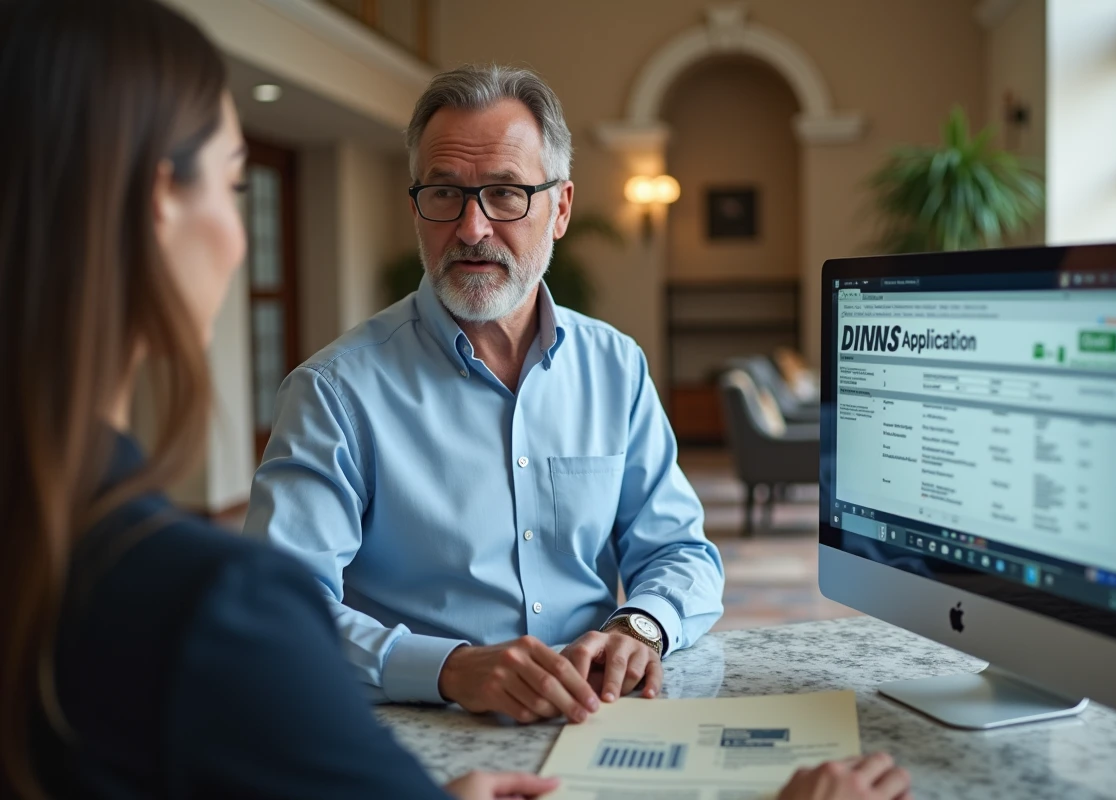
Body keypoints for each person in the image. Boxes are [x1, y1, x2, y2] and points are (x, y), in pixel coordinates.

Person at [0, 1, 552, 797]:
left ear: (556, 207)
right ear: (160, 203)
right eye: (231, 181)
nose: (239, 233)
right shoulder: (213, 607)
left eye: (505, 194)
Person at [245, 64, 726, 726]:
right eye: (444, 193)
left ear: (560, 209)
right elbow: (277, 609)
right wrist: (446, 668)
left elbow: (681, 551)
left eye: (505, 194)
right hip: (417, 735)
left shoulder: (616, 366)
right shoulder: (334, 393)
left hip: (595, 720)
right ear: (416, 207)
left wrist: (640, 627)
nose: (472, 228)